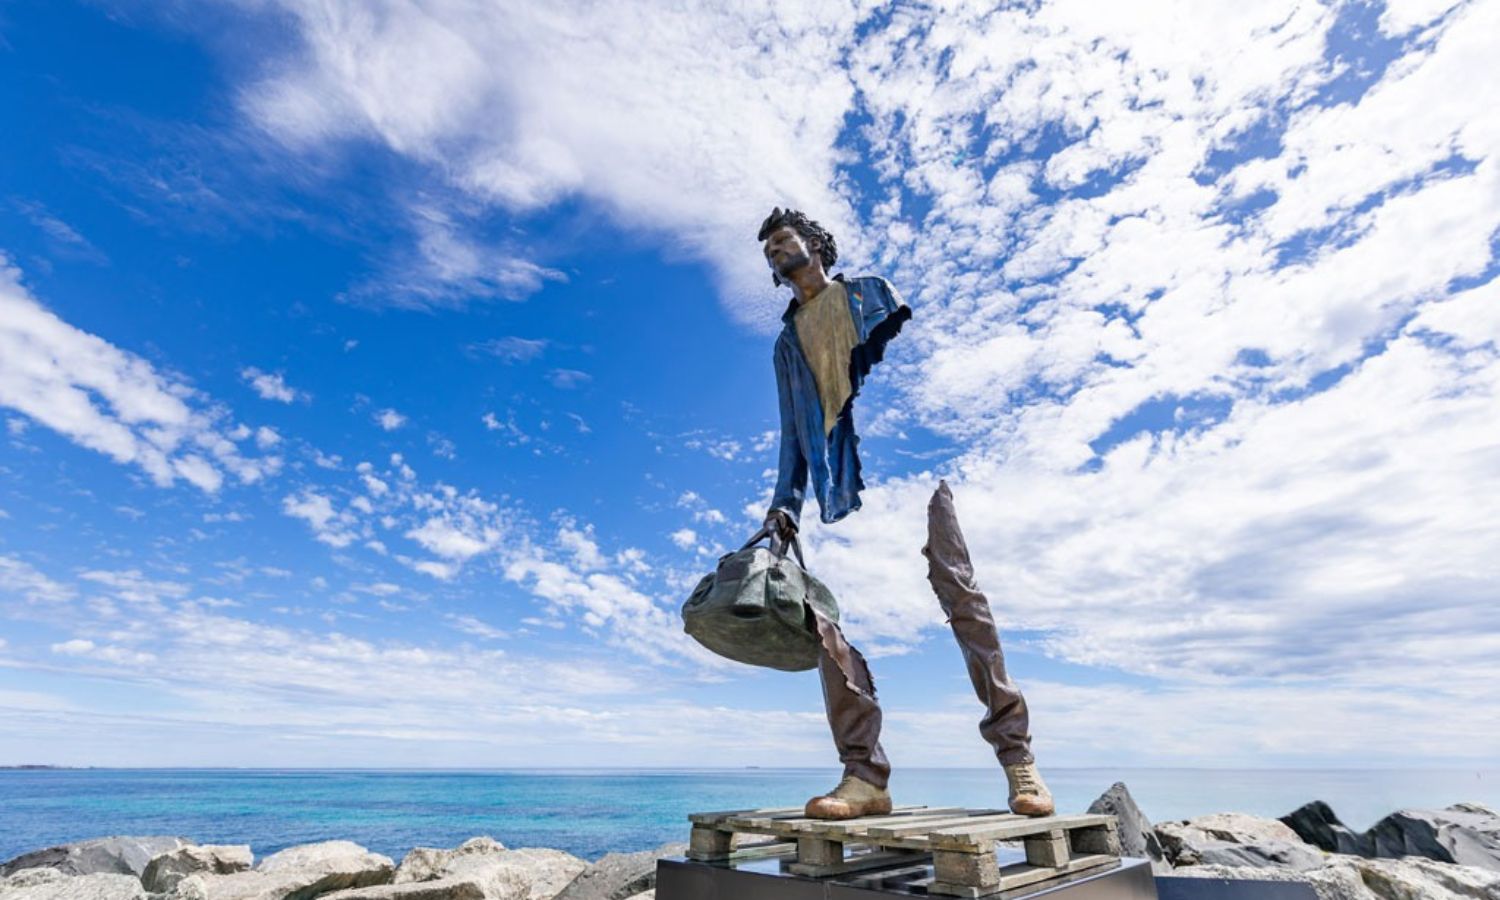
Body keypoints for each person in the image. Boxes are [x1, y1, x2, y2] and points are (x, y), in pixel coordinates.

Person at [753, 208, 1053, 820]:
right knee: (829, 626)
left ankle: (1018, 760)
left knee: (965, 605)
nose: (776, 253)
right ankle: (864, 775)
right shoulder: (786, 345)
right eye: (769, 251)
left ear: (815, 244)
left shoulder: (872, 294)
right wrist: (785, 506)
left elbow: (922, 369)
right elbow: (792, 433)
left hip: (917, 466)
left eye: (783, 240)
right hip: (839, 488)